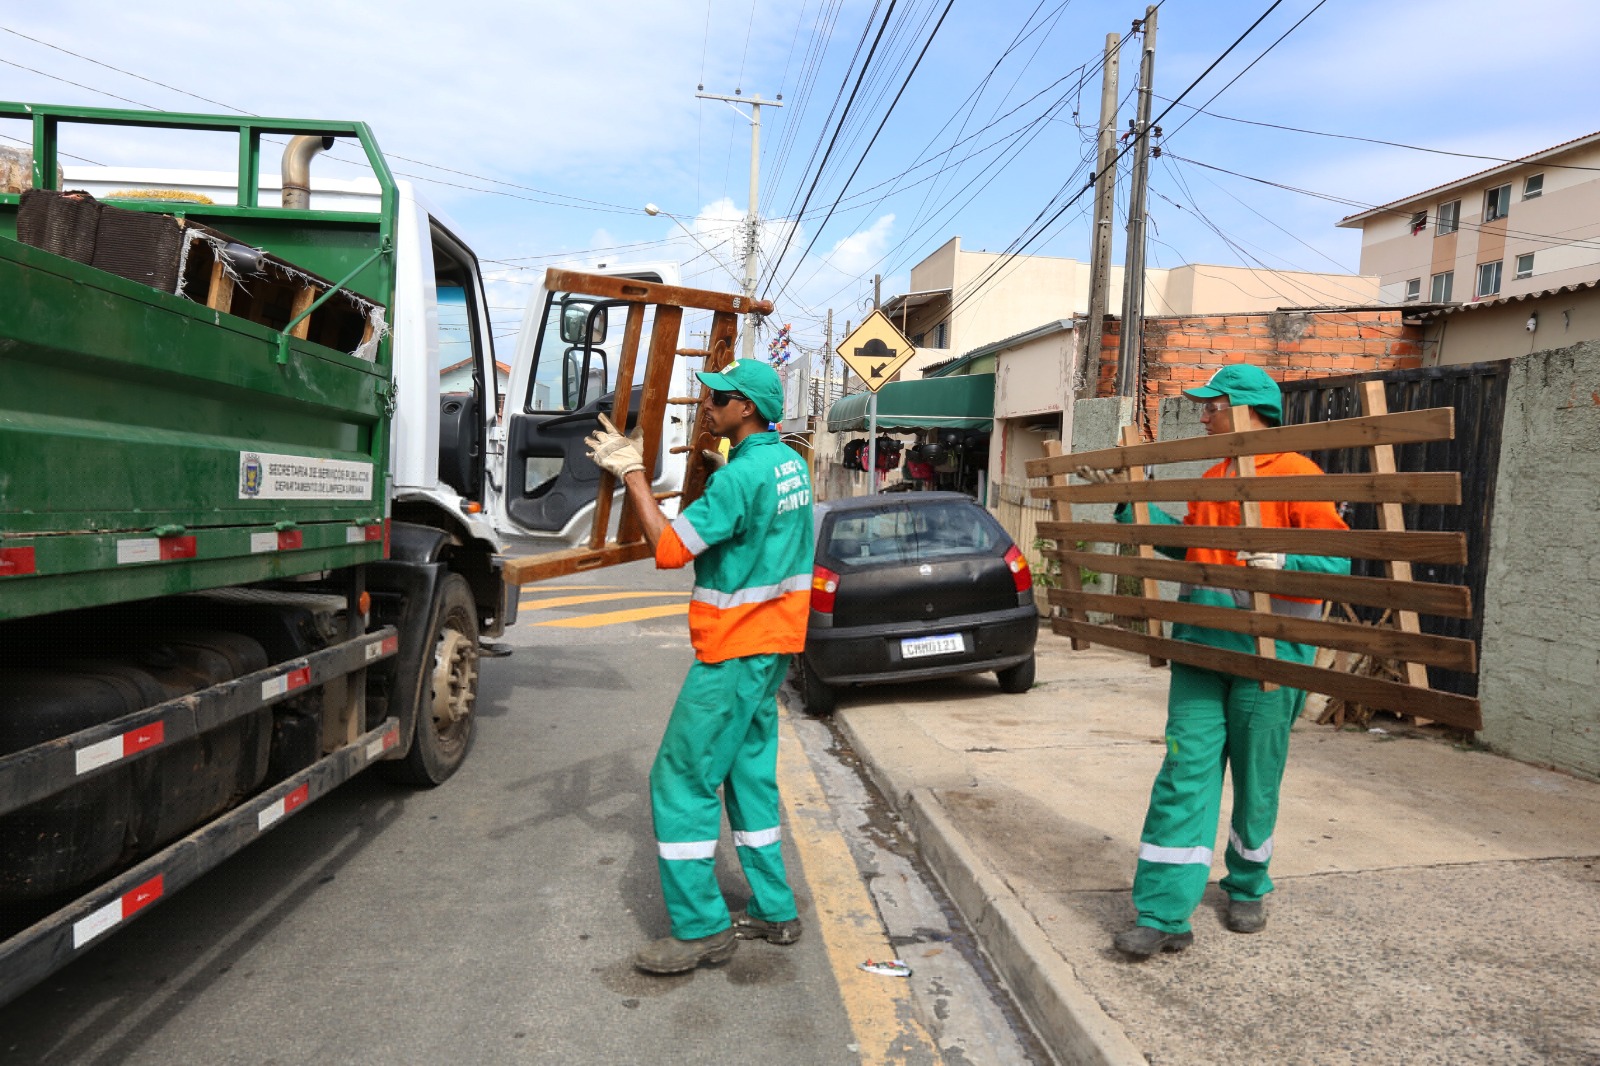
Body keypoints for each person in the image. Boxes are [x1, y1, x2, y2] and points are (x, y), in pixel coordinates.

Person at [1082, 364, 1349, 959]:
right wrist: (1134, 509)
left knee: (1257, 781)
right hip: (1201, 650)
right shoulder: (1213, 476)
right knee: (1183, 775)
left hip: (1269, 658)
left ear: (1246, 408)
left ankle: (1248, 883)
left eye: (1212, 404)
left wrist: (1289, 561)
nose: (1203, 414)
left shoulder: (1299, 476)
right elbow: (1193, 545)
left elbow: (1340, 564)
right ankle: (1163, 912)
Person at [584, 357, 814, 975]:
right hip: (773, 650)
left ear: (748, 410)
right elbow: (762, 519)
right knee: (748, 778)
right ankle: (774, 909)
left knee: (679, 780)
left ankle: (700, 929)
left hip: (734, 652)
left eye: (719, 399)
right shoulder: (790, 463)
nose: (706, 406)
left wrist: (632, 473)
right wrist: (726, 471)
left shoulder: (740, 481)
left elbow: (668, 547)